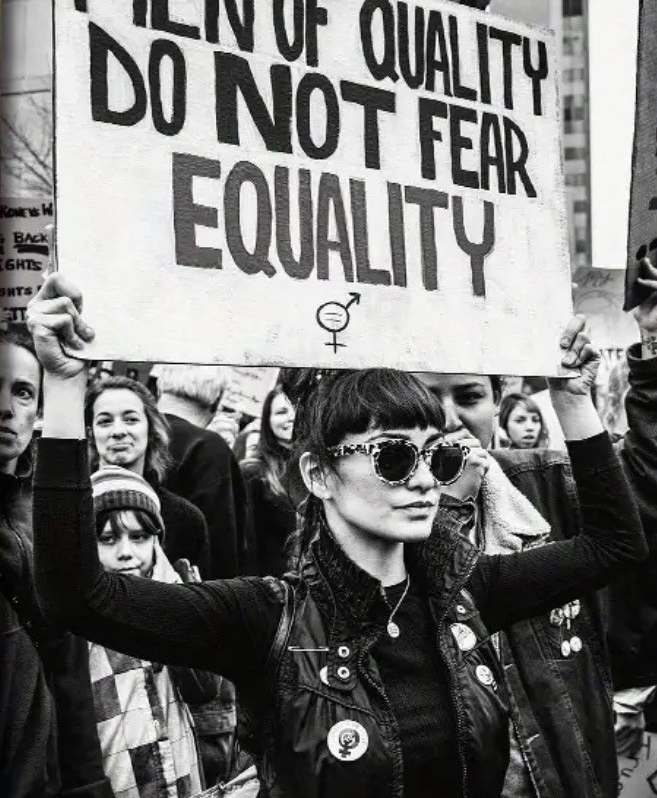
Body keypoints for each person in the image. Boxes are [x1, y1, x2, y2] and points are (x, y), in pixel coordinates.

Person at [28, 274, 646, 798]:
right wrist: (61, 389)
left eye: (439, 457)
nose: (425, 479)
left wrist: (572, 400)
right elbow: (77, 594)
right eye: (394, 457)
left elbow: (616, 544)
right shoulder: (267, 619)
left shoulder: (468, 592)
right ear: (319, 474)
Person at [411, 264, 657, 795]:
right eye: (428, 397)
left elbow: (638, 514)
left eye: (470, 396)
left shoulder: (542, 482)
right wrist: (446, 507)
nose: (450, 417)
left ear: (497, 403)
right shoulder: (366, 520)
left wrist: (650, 340)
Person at [0, 325, 112, 798]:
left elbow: (69, 672)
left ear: (37, 412)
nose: (6, 408)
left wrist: (88, 784)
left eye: (22, 392)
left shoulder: (44, 516)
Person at [88, 465, 213, 798]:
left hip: (180, 778)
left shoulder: (175, 598)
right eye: (108, 539)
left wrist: (172, 596)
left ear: (157, 543)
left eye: (140, 537)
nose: (126, 552)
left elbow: (205, 687)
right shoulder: (79, 624)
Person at [85, 375, 211, 577]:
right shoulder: (74, 508)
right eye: (105, 421)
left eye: (131, 419)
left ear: (150, 429)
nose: (118, 431)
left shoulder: (186, 519)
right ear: (91, 433)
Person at [155, 364, 249, 579]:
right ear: (217, 400)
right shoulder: (209, 448)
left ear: (160, 387)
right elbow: (222, 543)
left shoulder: (125, 434)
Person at [240, 387, 296, 575]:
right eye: (281, 412)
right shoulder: (252, 471)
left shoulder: (319, 468)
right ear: (267, 421)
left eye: (298, 409)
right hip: (270, 585)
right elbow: (247, 543)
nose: (291, 417)